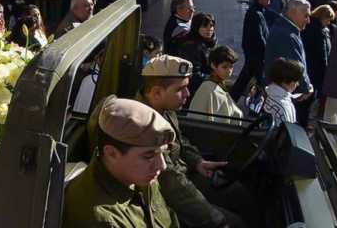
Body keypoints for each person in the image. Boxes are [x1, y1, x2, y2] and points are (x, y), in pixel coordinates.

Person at [138, 55, 250, 228]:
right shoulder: (144, 126)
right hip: (167, 193)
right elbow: (171, 183)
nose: (187, 94)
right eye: (180, 89)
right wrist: (215, 220)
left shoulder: (164, 109)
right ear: (157, 92)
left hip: (184, 175)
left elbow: (180, 140)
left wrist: (197, 161)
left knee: (240, 194)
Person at [63, 96, 178, 227]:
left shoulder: (141, 177)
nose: (162, 165)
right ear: (111, 153)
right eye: (149, 155)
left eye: (163, 152)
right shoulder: (101, 220)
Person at [263, 0, 313, 105]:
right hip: (288, 95)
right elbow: (296, 66)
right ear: (293, 13)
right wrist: (306, 88)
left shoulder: (286, 29)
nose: (308, 21)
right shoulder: (287, 35)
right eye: (306, 16)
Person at [232, 0, 271, 100]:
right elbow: (258, 37)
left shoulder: (258, 12)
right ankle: (256, 107)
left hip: (255, 54)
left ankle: (233, 99)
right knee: (261, 82)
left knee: (246, 80)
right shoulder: (255, 14)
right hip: (256, 54)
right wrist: (266, 50)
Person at [189, 46, 244, 125]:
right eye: (224, 67)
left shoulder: (219, 86)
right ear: (213, 66)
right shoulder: (208, 89)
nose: (229, 71)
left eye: (231, 67)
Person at [173, 12, 216, 97]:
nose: (209, 29)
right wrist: (212, 78)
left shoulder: (208, 42)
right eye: (204, 26)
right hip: (194, 90)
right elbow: (194, 74)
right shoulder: (192, 46)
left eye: (211, 26)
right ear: (197, 27)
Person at [302, 5, 334, 95]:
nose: (329, 23)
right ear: (323, 17)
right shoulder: (319, 31)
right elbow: (322, 52)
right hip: (317, 69)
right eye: (328, 20)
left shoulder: (311, 28)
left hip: (311, 66)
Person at [262, 58, 303, 124]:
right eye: (296, 81)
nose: (298, 84)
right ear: (289, 83)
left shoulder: (267, 94)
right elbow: (288, 131)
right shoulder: (285, 107)